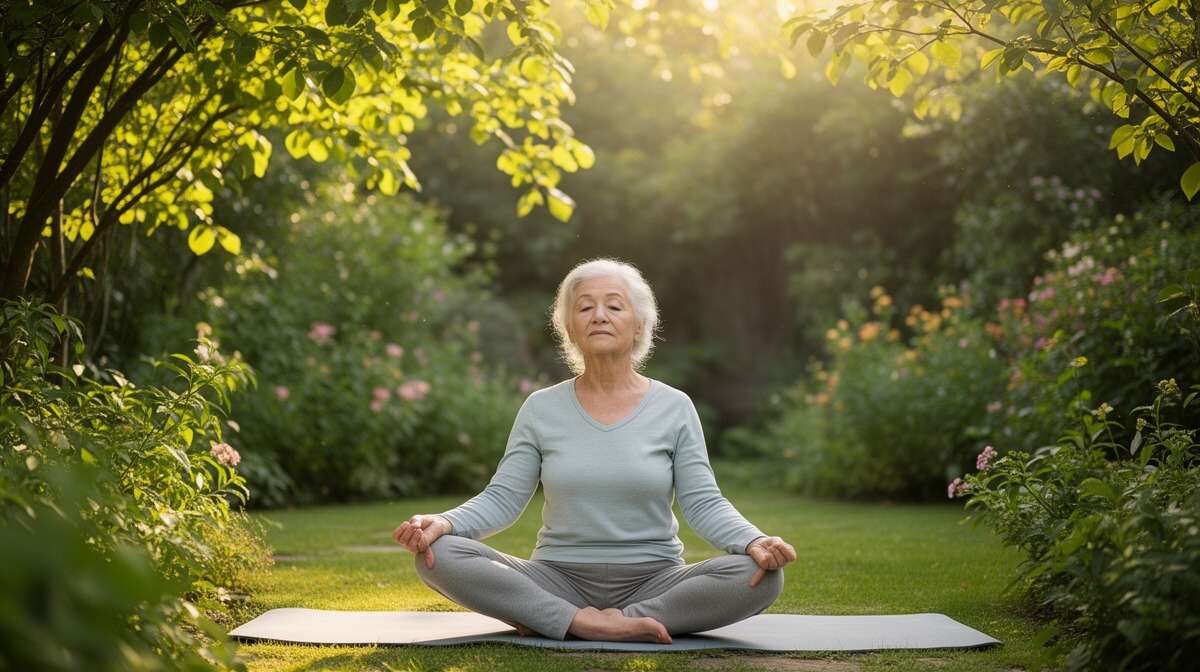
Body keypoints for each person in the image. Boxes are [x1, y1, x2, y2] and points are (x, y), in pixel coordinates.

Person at [393, 258, 796, 644]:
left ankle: (611, 620)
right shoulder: (540, 408)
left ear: (639, 325)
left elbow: (704, 503)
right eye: (585, 307)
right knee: (439, 554)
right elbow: (502, 499)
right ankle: (577, 620)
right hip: (557, 580)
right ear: (570, 327)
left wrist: (752, 540)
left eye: (614, 306)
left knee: (758, 574)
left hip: (655, 580)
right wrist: (443, 522)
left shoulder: (675, 407)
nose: (599, 315)